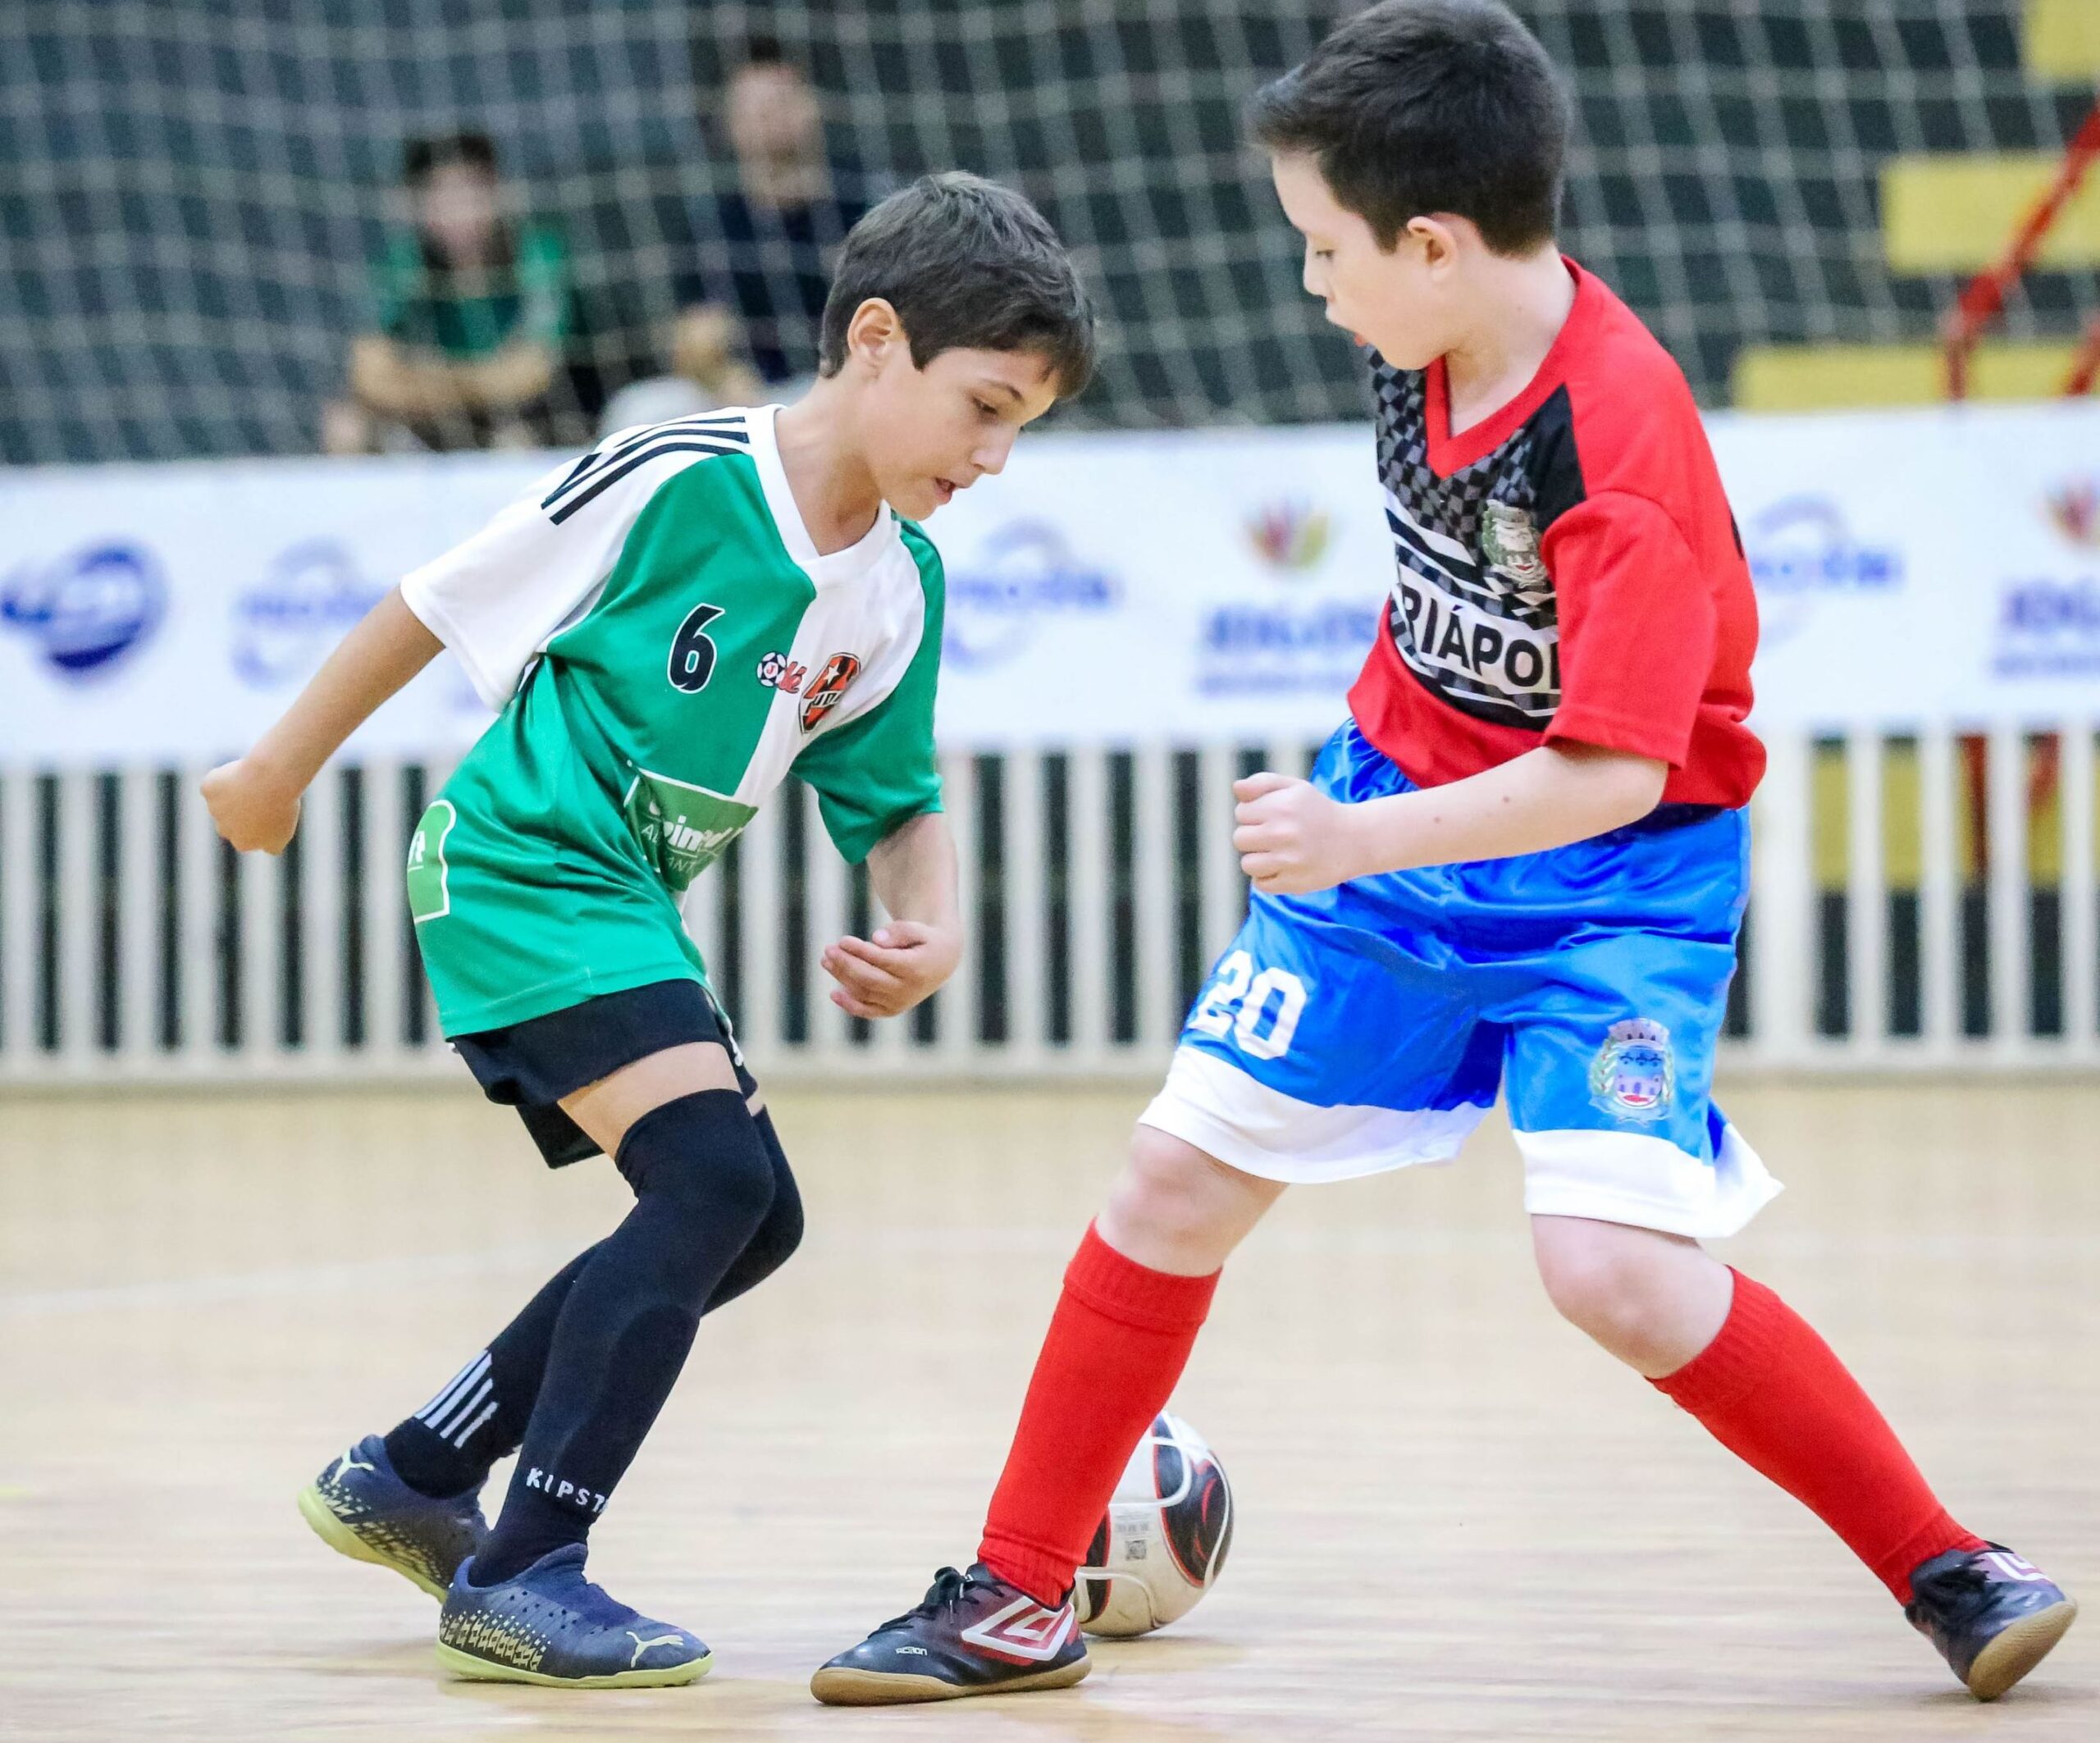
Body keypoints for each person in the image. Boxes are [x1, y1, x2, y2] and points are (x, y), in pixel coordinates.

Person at [810, 0, 2077, 1709]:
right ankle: (1019, 1594)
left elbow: (1612, 775)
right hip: (1397, 844)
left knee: (1614, 1275)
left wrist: (1350, 835)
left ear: (1430, 243)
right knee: (1171, 1183)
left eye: (1324, 248)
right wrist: (1376, 810)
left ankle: (1948, 1566)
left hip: (1607, 885)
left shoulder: (1613, 443)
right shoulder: (1419, 343)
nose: (1309, 282)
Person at [205, 171, 1093, 1690]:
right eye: (986, 409)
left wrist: (931, 925)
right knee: (713, 1180)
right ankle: (521, 1571)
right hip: (516, 866)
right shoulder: (680, 474)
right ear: (876, 341)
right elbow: (433, 602)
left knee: (755, 1216)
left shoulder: (900, 585)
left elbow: (891, 799)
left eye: (1024, 429)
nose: (997, 457)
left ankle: (416, 1471)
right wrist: (274, 773)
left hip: (624, 903)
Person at [322, 133, 571, 454]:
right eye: (439, 197)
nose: (457, 212)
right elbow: (369, 377)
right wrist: (475, 383)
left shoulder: (538, 253)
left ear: (497, 192)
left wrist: (421, 379)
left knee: (516, 441)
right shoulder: (403, 263)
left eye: (470, 193)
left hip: (530, 417)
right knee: (345, 426)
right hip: (430, 415)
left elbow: (531, 374)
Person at [669, 39, 879, 391]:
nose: (766, 116)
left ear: (813, 107)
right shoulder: (714, 227)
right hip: (747, 393)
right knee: (645, 406)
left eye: (779, 101)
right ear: (728, 123)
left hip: (846, 388)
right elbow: (693, 342)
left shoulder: (867, 207)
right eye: (752, 108)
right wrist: (721, 376)